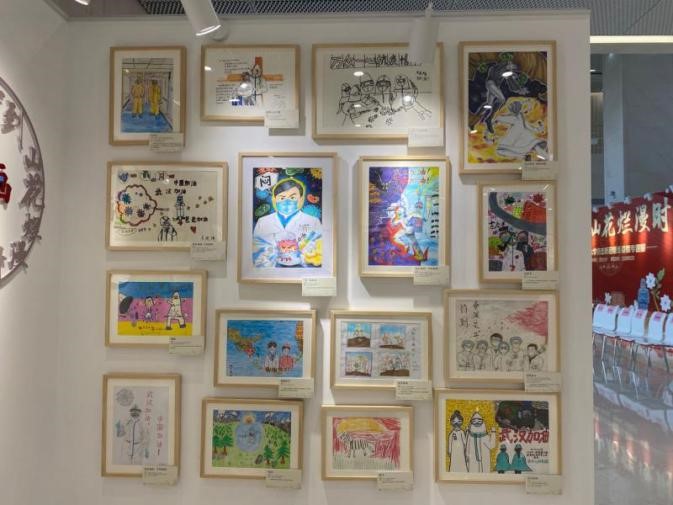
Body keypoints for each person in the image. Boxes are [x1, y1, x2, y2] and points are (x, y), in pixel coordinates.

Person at [252, 178, 322, 268]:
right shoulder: (263, 221)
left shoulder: (313, 221)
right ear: (275, 200)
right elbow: (255, 249)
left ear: (301, 199)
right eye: (282, 198)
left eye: (292, 197)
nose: (287, 201)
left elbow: (319, 249)